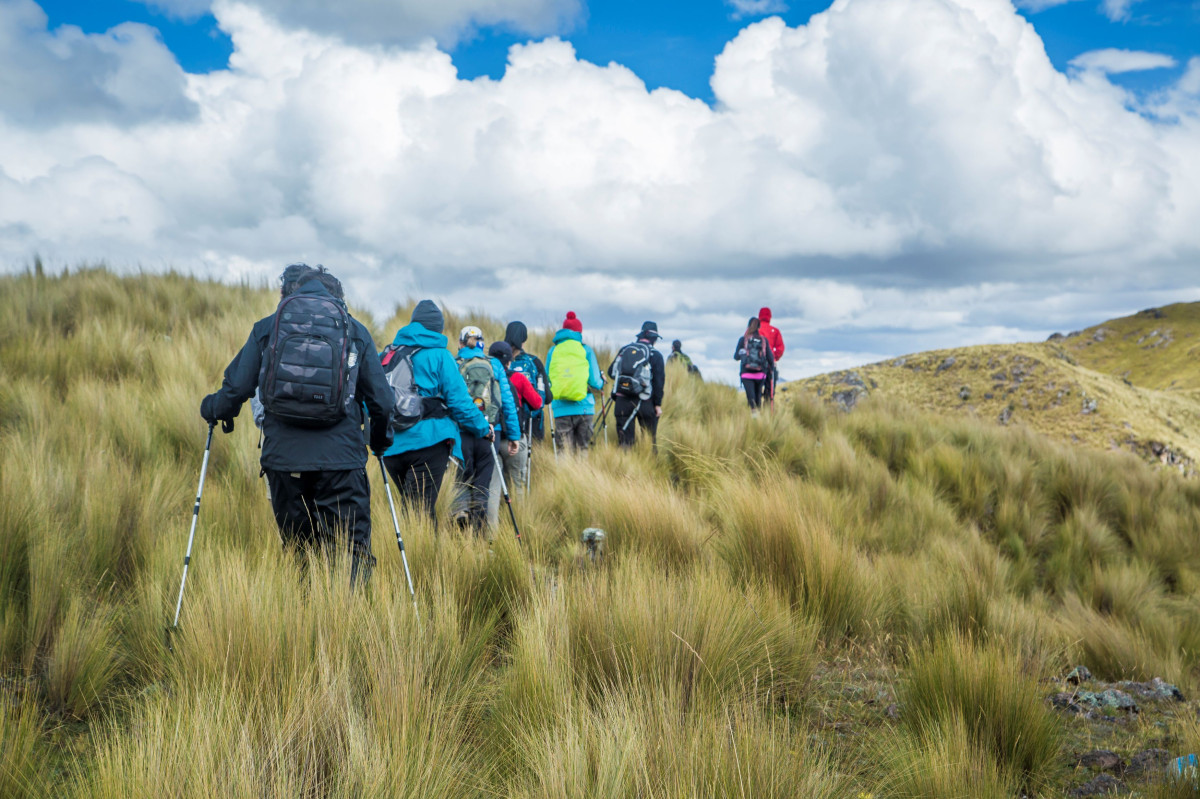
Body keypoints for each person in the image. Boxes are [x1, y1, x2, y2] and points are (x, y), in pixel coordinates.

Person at [199, 264, 393, 586]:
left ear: (292, 293)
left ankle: (303, 620)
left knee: (299, 551)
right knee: (350, 551)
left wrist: (213, 408)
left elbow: (237, 388)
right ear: (338, 298)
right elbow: (382, 402)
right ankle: (348, 626)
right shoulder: (354, 330)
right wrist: (381, 442)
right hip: (341, 463)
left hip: (284, 462)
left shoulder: (269, 327)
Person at [379, 300, 491, 530]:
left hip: (391, 447)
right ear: (438, 328)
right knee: (421, 512)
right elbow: (460, 403)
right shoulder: (440, 356)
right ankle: (424, 560)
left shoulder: (388, 354)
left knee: (412, 508)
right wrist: (483, 428)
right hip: (428, 444)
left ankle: (407, 554)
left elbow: (371, 397)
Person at [452, 326, 520, 534]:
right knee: (483, 483)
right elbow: (506, 401)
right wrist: (514, 435)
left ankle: (462, 514)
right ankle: (481, 532)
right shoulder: (495, 364)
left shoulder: (455, 364)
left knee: (463, 476)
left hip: (461, 432)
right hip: (491, 432)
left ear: (461, 343)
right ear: (482, 343)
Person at [544, 311, 604, 453]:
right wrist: (602, 382)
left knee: (564, 450)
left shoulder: (553, 351)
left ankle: (564, 475)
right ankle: (580, 475)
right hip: (585, 407)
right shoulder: (586, 350)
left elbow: (547, 379)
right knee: (583, 448)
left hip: (560, 408)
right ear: (579, 332)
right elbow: (595, 381)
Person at [489, 341, 542, 494]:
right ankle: (519, 515)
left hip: (491, 438)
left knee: (493, 485)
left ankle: (494, 517)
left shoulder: (486, 377)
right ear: (509, 361)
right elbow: (537, 403)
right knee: (517, 483)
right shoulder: (518, 378)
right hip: (515, 441)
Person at [608, 321, 665, 449]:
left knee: (625, 443)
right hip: (645, 401)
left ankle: (624, 467)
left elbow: (611, 372)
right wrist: (657, 405)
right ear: (654, 339)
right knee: (649, 442)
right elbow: (658, 383)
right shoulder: (656, 355)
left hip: (622, 401)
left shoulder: (625, 350)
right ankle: (650, 467)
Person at [504, 321, 551, 442]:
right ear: (524, 340)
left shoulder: (497, 361)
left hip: (504, 424)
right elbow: (547, 398)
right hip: (532, 424)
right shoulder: (534, 362)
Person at [735, 316, 775, 414]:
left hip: (746, 374)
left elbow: (736, 357)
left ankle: (754, 420)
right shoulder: (764, 340)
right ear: (759, 327)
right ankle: (759, 421)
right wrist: (771, 369)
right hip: (760, 374)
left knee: (751, 399)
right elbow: (770, 358)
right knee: (758, 398)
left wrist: (743, 354)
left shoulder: (743, 340)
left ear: (748, 326)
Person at [757, 307, 785, 399]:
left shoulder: (753, 330)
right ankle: (768, 409)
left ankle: (755, 410)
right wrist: (773, 357)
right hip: (770, 365)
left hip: (755, 365)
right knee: (770, 392)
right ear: (770, 316)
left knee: (756, 391)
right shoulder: (775, 331)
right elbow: (780, 348)